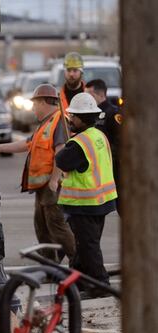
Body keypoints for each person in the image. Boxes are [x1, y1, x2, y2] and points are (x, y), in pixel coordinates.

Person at [0, 84, 75, 262]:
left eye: (35, 104)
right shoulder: (46, 123)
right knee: (42, 227)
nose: (34, 108)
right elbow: (26, 144)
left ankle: (81, 265)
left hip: (52, 186)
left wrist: (54, 180)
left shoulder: (59, 120)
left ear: (44, 102)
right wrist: (1, 147)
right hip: (42, 186)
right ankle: (51, 266)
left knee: (57, 227)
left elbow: (61, 151)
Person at [55, 92, 117, 289]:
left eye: (73, 116)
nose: (70, 119)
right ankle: (79, 281)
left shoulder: (79, 143)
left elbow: (61, 161)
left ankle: (101, 284)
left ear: (82, 118)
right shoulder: (99, 136)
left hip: (85, 204)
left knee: (88, 246)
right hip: (102, 202)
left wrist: (68, 144)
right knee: (84, 246)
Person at [85, 78, 122, 208]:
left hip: (115, 167)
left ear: (100, 95)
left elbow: (121, 142)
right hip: (99, 168)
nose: (87, 99)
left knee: (122, 204)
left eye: (89, 95)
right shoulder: (92, 114)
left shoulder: (113, 114)